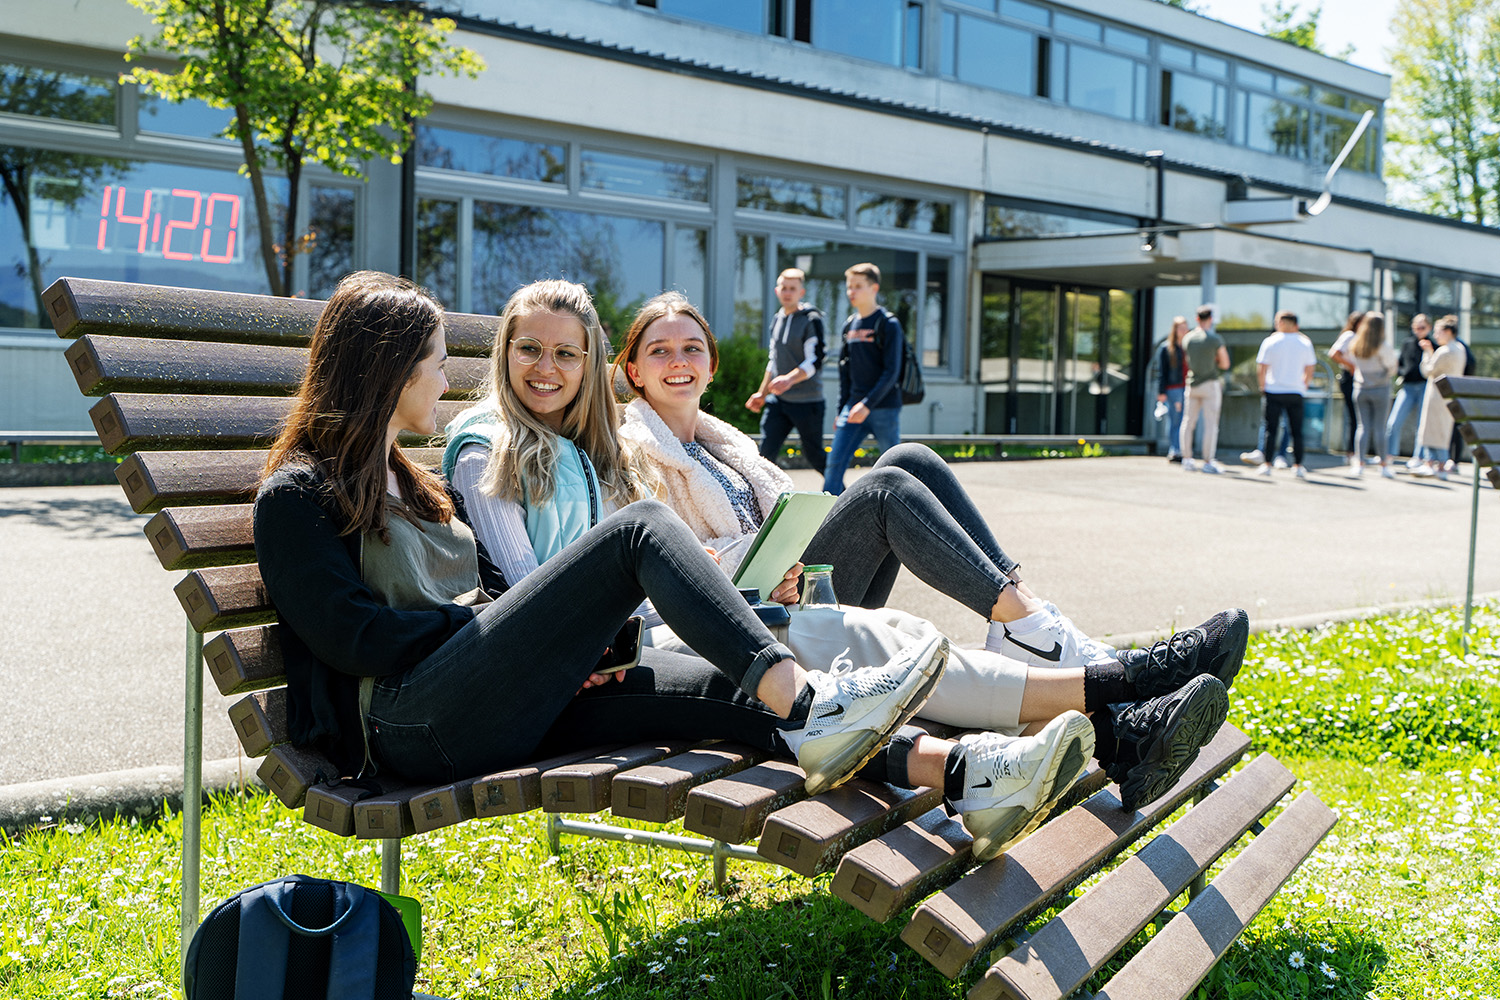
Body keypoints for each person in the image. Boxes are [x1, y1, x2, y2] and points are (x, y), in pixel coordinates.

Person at [448, 282, 1239, 816]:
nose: (678, 361)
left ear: (714, 364)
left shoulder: (710, 446)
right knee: (888, 561)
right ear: (625, 369)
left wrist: (780, 559)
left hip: (763, 605)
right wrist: (746, 572)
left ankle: (1074, 667)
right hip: (718, 624)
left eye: (692, 348)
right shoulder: (609, 448)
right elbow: (620, 572)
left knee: (910, 470)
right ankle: (1105, 687)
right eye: (658, 351)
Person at [253, 270, 966, 828]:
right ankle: (818, 707)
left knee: (715, 694)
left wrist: (580, 647)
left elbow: (489, 599)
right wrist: (501, 631)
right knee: (639, 528)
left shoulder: (411, 481)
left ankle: (959, 770)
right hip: (412, 724)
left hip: (491, 698)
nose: (446, 379)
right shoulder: (297, 496)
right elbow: (357, 639)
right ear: (390, 371)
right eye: (436, 364)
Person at [824, 262, 903, 495]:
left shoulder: (888, 324)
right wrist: (842, 409)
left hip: (884, 408)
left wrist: (867, 405)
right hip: (852, 407)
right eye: (849, 287)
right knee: (834, 464)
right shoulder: (849, 325)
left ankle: (897, 518)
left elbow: (892, 372)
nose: (852, 292)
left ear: (874, 288)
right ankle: (830, 522)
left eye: (858, 286)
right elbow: (845, 372)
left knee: (894, 469)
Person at [746, 268, 826, 474]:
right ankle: (761, 502)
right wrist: (762, 394)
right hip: (779, 402)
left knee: (815, 455)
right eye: (784, 288)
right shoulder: (777, 319)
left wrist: (789, 380)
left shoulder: (811, 320)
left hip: (808, 403)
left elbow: (815, 360)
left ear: (801, 292)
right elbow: (773, 360)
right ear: (777, 291)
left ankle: (843, 497)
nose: (787, 292)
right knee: (765, 454)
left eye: (793, 288)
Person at [1252, 310, 1318, 479]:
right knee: (1296, 431)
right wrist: (1304, 384)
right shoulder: (1304, 342)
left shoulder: (1270, 341)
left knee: (1270, 429)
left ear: (1281, 322)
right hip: (1296, 391)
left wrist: (1263, 386)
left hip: (1274, 390)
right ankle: (1298, 465)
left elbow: (1262, 367)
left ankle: (1267, 464)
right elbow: (1310, 368)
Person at [1337, 313, 1396, 479]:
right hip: (1380, 388)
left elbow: (1352, 363)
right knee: (1379, 428)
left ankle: (1359, 462)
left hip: (1361, 388)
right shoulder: (1383, 346)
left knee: (1362, 427)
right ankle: (1383, 464)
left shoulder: (1356, 344)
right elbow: (1391, 367)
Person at [1412, 314, 1467, 480]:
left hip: (1437, 395)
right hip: (1450, 395)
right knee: (1442, 431)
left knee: (1432, 430)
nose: (1435, 336)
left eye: (1438, 332)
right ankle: (1439, 464)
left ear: (1447, 331)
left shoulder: (1445, 351)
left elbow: (1428, 370)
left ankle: (1433, 463)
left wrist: (1428, 352)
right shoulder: (1460, 349)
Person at [1179, 305, 1229, 474]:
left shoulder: (1188, 338)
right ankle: (1208, 461)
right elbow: (1225, 363)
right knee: (1211, 424)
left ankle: (1187, 458)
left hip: (1191, 384)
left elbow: (1188, 360)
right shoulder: (1214, 339)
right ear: (1211, 319)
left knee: (1188, 422)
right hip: (1210, 384)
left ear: (1197, 319)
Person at [1387, 313, 1431, 464]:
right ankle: (1388, 455)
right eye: (1416, 327)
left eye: (1422, 327)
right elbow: (1399, 363)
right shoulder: (1407, 343)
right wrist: (1402, 373)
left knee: (1422, 424)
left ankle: (1418, 457)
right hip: (1408, 387)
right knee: (1393, 422)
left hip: (1424, 386)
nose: (1419, 330)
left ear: (1428, 328)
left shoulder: (1433, 344)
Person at [1327, 310, 1368, 464]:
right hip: (1350, 378)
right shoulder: (1349, 335)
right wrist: (1352, 366)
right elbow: (1334, 354)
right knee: (1355, 417)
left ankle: (1356, 453)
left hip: (1359, 379)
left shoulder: (1362, 337)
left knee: (1359, 418)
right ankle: (1351, 453)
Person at [1155, 317, 1188, 463]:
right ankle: (1175, 450)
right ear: (1174, 330)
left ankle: (1182, 449)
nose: (1183, 330)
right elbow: (1162, 371)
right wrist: (1161, 392)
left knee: (1185, 421)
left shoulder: (1188, 347)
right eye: (1180, 327)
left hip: (1188, 387)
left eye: (1185, 327)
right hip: (1174, 389)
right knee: (1176, 420)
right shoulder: (1166, 348)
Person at [1445, 325, 1477, 473]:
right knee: (1456, 426)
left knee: (1455, 426)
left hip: (1455, 391)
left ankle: (1452, 459)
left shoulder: (1455, 347)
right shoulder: (1461, 346)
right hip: (1461, 391)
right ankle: (1452, 460)